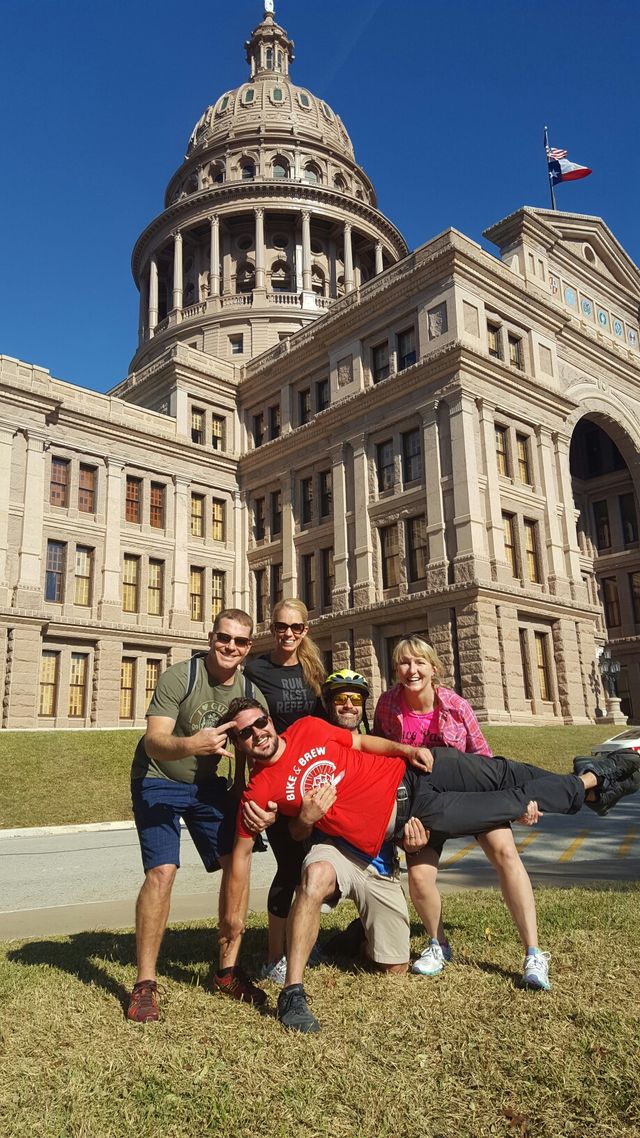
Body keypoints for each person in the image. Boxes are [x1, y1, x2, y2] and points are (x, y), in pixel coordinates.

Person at [219, 700, 640, 1032]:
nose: (258, 734)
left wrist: (405, 748)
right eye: (246, 733)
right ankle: (590, 785)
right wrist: (306, 819)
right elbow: (262, 853)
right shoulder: (259, 791)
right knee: (511, 803)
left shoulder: (308, 728)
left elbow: (362, 744)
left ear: (270, 720)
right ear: (238, 744)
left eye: (261, 723)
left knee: (504, 773)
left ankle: (590, 780)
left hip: (417, 771)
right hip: (420, 813)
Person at [374, 636, 549, 989]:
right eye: (404, 663)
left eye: (420, 662)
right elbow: (382, 760)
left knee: (505, 853)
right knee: (420, 879)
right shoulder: (388, 706)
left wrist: (514, 803)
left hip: (470, 794)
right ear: (396, 671)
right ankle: (438, 944)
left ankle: (533, 952)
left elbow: (484, 760)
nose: (412, 670)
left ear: (433, 668)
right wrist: (404, 819)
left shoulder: (454, 705)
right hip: (423, 806)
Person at [126, 608, 268, 1023]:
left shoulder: (247, 689)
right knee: (163, 871)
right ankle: (145, 984)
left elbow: (254, 742)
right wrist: (194, 744)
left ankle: (226, 970)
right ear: (211, 637)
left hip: (207, 787)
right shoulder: (179, 677)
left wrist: (245, 787)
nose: (230, 647)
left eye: (240, 642)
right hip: (157, 779)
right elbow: (154, 742)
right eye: (224, 638)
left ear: (248, 648)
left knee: (236, 861)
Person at [242, 669, 427, 976]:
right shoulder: (313, 737)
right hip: (334, 858)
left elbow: (404, 805)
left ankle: (358, 939)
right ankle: (285, 960)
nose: (349, 705)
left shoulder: (375, 744)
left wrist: (412, 841)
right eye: (340, 698)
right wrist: (303, 816)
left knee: (395, 968)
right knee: (307, 874)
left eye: (356, 699)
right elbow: (294, 831)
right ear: (327, 703)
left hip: (379, 863)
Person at [243, 598, 326, 982]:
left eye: (296, 628)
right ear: (271, 628)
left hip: (312, 778)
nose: (288, 634)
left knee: (313, 864)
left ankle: (304, 937)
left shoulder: (314, 668)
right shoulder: (255, 669)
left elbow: (328, 723)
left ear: (305, 630)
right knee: (289, 865)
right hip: (277, 779)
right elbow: (244, 723)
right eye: (281, 627)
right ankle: (275, 956)